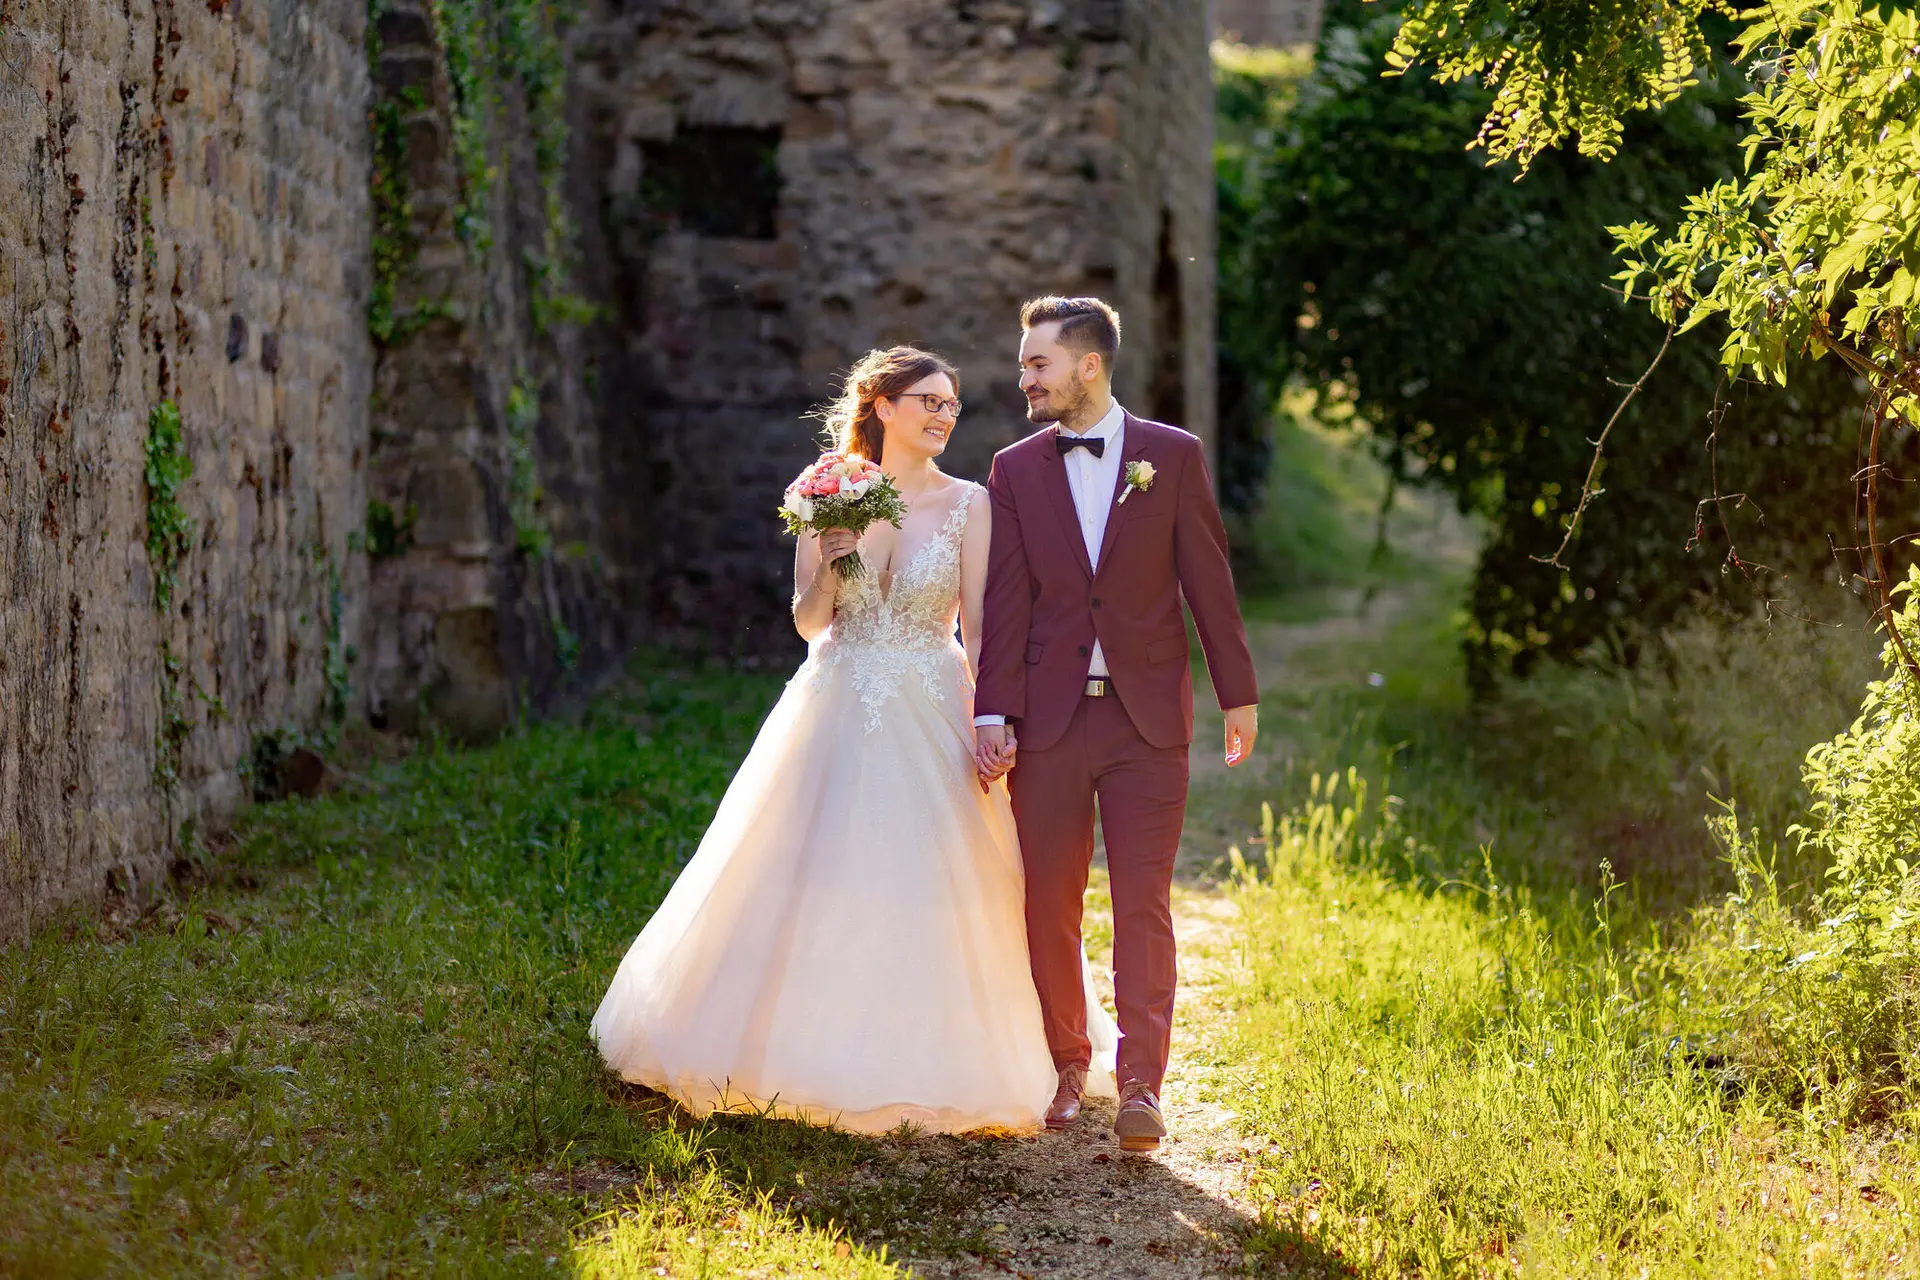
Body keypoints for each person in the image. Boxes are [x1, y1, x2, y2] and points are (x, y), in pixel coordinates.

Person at [591, 346, 1115, 1134]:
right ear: (883, 405)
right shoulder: (831, 490)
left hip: (933, 696)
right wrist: (833, 562)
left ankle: (963, 1048)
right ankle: (792, 1046)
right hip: (839, 693)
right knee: (807, 864)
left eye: (951, 405)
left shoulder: (971, 504)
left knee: (953, 871)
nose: (943, 415)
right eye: (928, 401)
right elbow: (809, 624)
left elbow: (979, 626)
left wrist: (993, 717)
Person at [974, 296, 1259, 1153]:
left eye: (1039, 365)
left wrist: (1237, 692)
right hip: (1050, 722)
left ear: (1088, 365)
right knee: (1048, 903)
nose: (1026, 380)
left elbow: (1207, 579)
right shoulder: (1014, 469)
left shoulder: (1172, 455)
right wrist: (994, 710)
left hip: (1147, 723)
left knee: (1144, 904)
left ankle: (1142, 1086)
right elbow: (1007, 601)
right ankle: (1068, 1064)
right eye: (1025, 366)